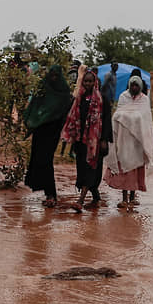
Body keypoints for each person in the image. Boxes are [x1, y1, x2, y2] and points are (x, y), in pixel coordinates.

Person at [62, 70, 113, 210]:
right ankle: (96, 198)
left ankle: (80, 201)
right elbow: (72, 117)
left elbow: (107, 120)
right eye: (86, 81)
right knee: (82, 170)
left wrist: (104, 140)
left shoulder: (102, 99)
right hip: (81, 141)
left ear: (95, 82)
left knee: (91, 169)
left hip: (95, 142)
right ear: (82, 82)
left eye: (91, 81)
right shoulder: (79, 98)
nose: (88, 83)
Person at [24, 65, 72, 208]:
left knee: (46, 161)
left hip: (53, 131)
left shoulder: (63, 92)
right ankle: (47, 193)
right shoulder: (43, 88)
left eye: (56, 76)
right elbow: (34, 106)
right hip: (40, 130)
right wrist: (32, 120)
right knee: (38, 160)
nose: (54, 78)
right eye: (52, 75)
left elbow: (65, 113)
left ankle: (51, 194)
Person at [105, 75, 153, 208]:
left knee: (135, 168)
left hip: (138, 141)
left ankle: (132, 198)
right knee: (124, 167)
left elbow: (145, 120)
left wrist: (131, 119)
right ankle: (124, 198)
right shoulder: (123, 97)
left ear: (140, 86)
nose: (134, 87)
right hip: (124, 138)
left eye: (136, 85)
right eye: (132, 85)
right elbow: (118, 114)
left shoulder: (144, 100)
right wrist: (129, 118)